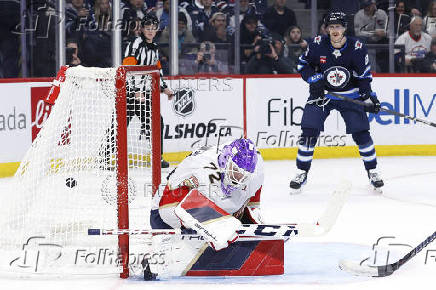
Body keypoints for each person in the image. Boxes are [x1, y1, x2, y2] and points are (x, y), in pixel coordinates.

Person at [291, 11, 384, 193]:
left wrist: (369, 97)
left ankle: (372, 171)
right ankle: (301, 172)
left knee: (361, 133)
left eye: (338, 27)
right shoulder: (317, 44)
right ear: (326, 28)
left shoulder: (357, 47)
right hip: (323, 94)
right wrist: (314, 79)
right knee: (309, 130)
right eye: (331, 27)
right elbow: (303, 65)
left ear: (344, 28)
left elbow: (363, 76)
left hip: (349, 94)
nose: (335, 30)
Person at [150, 138, 264, 240]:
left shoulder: (256, 168)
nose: (239, 178)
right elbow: (175, 208)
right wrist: (215, 228)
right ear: (225, 159)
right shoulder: (202, 169)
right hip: (165, 212)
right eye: (235, 170)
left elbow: (254, 192)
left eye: (244, 175)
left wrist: (252, 214)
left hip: (209, 206)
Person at [123, 13, 173, 168]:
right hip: (130, 94)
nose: (150, 31)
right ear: (142, 29)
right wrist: (136, 91)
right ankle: (103, 156)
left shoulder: (155, 48)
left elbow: (157, 71)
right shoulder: (135, 44)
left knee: (157, 122)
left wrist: (164, 88)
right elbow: (128, 69)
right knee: (118, 125)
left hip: (145, 95)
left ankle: (157, 157)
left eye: (153, 28)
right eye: (147, 28)